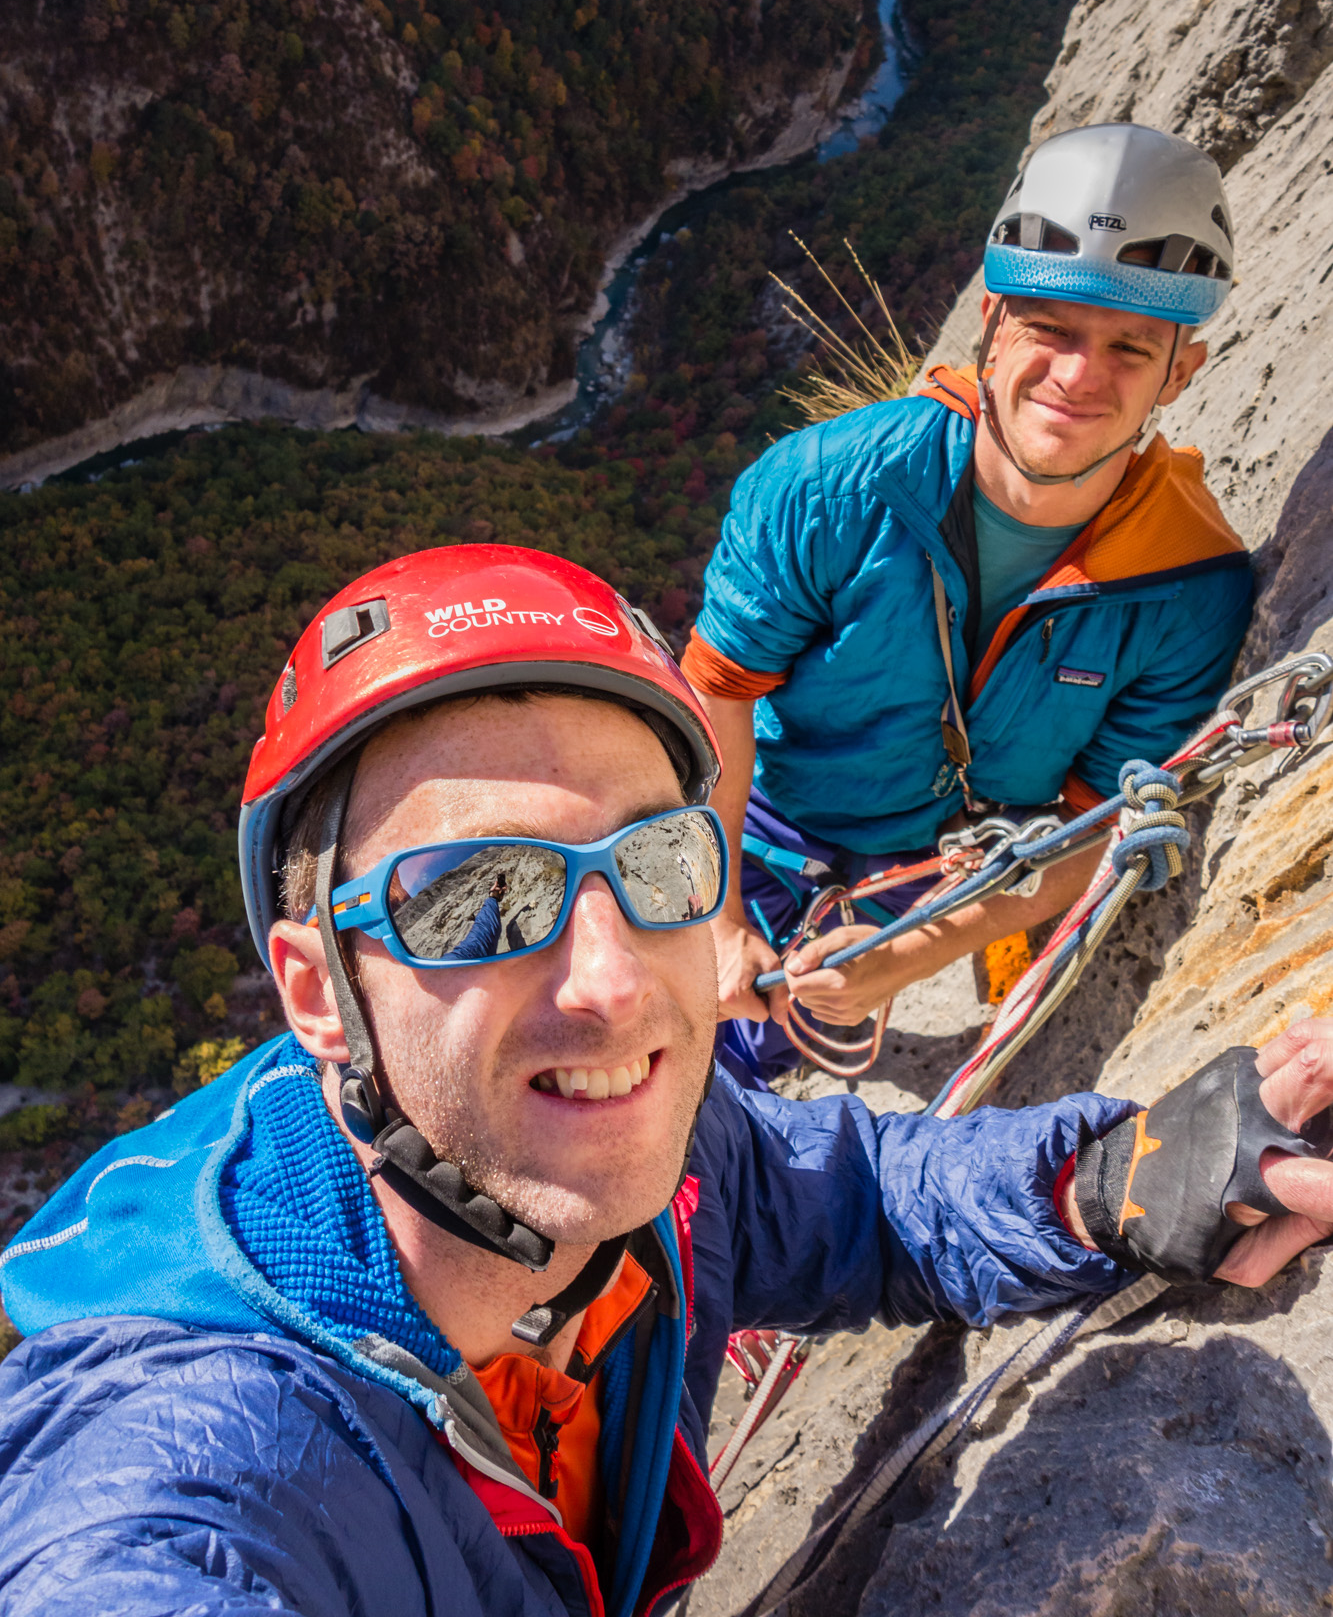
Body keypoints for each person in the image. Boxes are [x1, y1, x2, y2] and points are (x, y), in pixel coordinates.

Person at [0, 543, 1329, 1617]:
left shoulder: (667, 1175)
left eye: (656, 866)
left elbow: (860, 1194)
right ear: (315, 995)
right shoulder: (195, 1463)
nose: (614, 983)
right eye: (480, 896)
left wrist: (1102, 1181)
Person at [683, 122, 1254, 1082]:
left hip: (958, 860)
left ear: (1180, 372)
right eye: (1051, 329)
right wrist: (715, 917)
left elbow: (1096, 826)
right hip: (768, 820)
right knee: (679, 1035)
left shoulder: (1187, 585)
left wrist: (907, 956)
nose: (1078, 377)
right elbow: (720, 696)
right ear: (990, 326)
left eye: (1128, 347)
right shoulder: (829, 485)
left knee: (761, 1051)